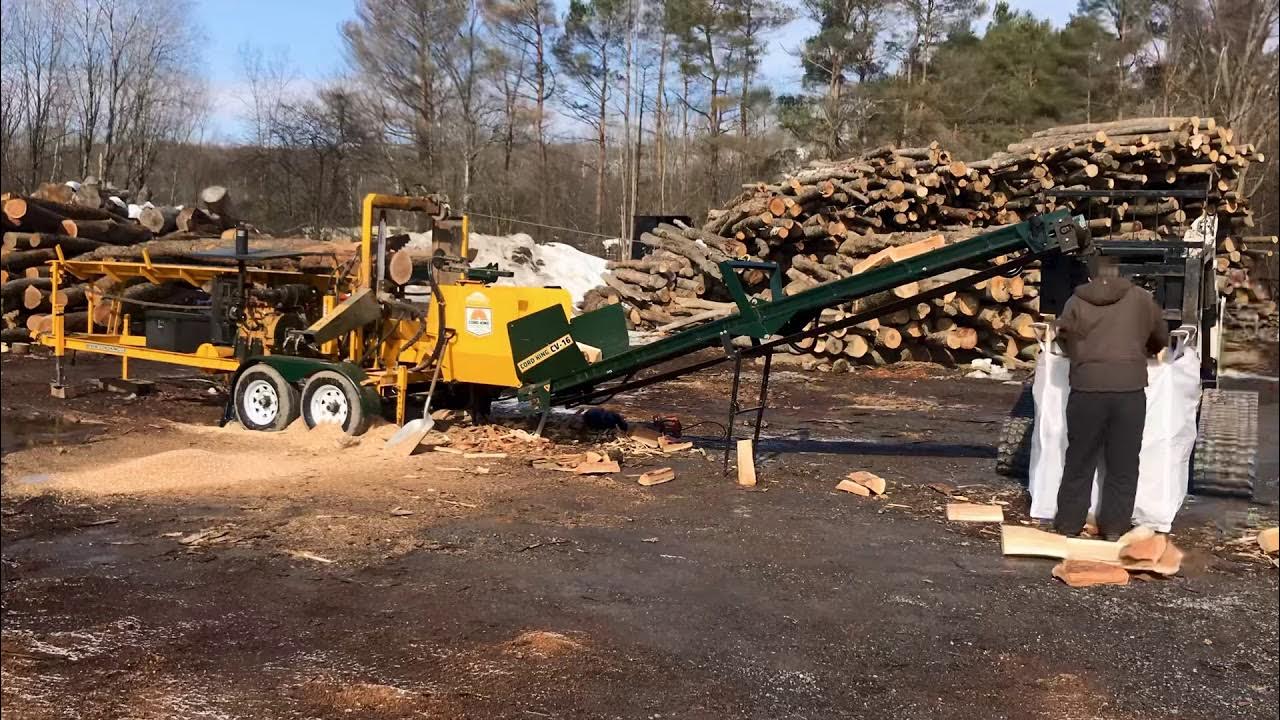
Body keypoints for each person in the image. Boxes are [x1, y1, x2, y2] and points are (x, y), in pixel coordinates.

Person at [1053, 255, 1168, 540]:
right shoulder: (1141, 299)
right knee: (1124, 464)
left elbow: (1063, 337)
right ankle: (1115, 529)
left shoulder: (1075, 301)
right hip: (1129, 391)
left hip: (1086, 390)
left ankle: (1068, 525)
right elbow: (1160, 335)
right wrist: (1145, 350)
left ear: (1090, 276)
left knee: (1079, 460)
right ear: (1120, 273)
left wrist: (1080, 357)